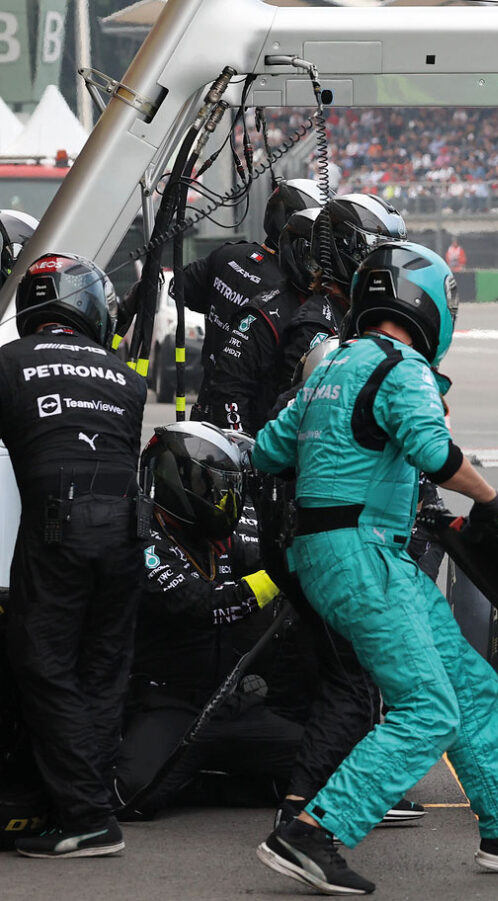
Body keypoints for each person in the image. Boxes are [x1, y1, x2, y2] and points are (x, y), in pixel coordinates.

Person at [252, 241, 498, 894]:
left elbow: (268, 450)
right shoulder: (401, 365)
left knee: (470, 688)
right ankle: (313, 830)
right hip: (365, 555)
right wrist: (490, 499)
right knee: (429, 708)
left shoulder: (329, 364)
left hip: (349, 554)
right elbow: (434, 452)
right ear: (428, 305)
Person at [1, 253, 147, 857]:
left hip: (58, 528)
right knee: (103, 668)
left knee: (41, 663)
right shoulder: (127, 376)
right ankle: (89, 802)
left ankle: (85, 815)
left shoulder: (8, 363)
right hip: (127, 532)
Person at [115, 422, 296, 818]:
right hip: (168, 703)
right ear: (175, 480)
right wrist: (280, 576)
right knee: (129, 795)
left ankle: (198, 775)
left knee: (321, 766)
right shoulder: (142, 541)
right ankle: (197, 778)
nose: (224, 499)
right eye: (213, 486)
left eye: (229, 489)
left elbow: (269, 559)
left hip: (231, 704)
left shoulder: (220, 540)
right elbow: (200, 605)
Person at [178, 179, 321, 390]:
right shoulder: (295, 287)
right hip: (256, 408)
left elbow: (182, 289)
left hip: (209, 398)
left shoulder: (227, 255)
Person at [195, 207, 322, 434]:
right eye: (317, 258)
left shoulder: (337, 307)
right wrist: (246, 451)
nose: (322, 268)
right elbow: (229, 385)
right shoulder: (268, 311)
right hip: (264, 442)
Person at [276, 194, 406, 390]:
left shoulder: (359, 311)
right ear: (344, 249)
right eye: (378, 250)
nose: (388, 263)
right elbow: (300, 407)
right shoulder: (315, 326)